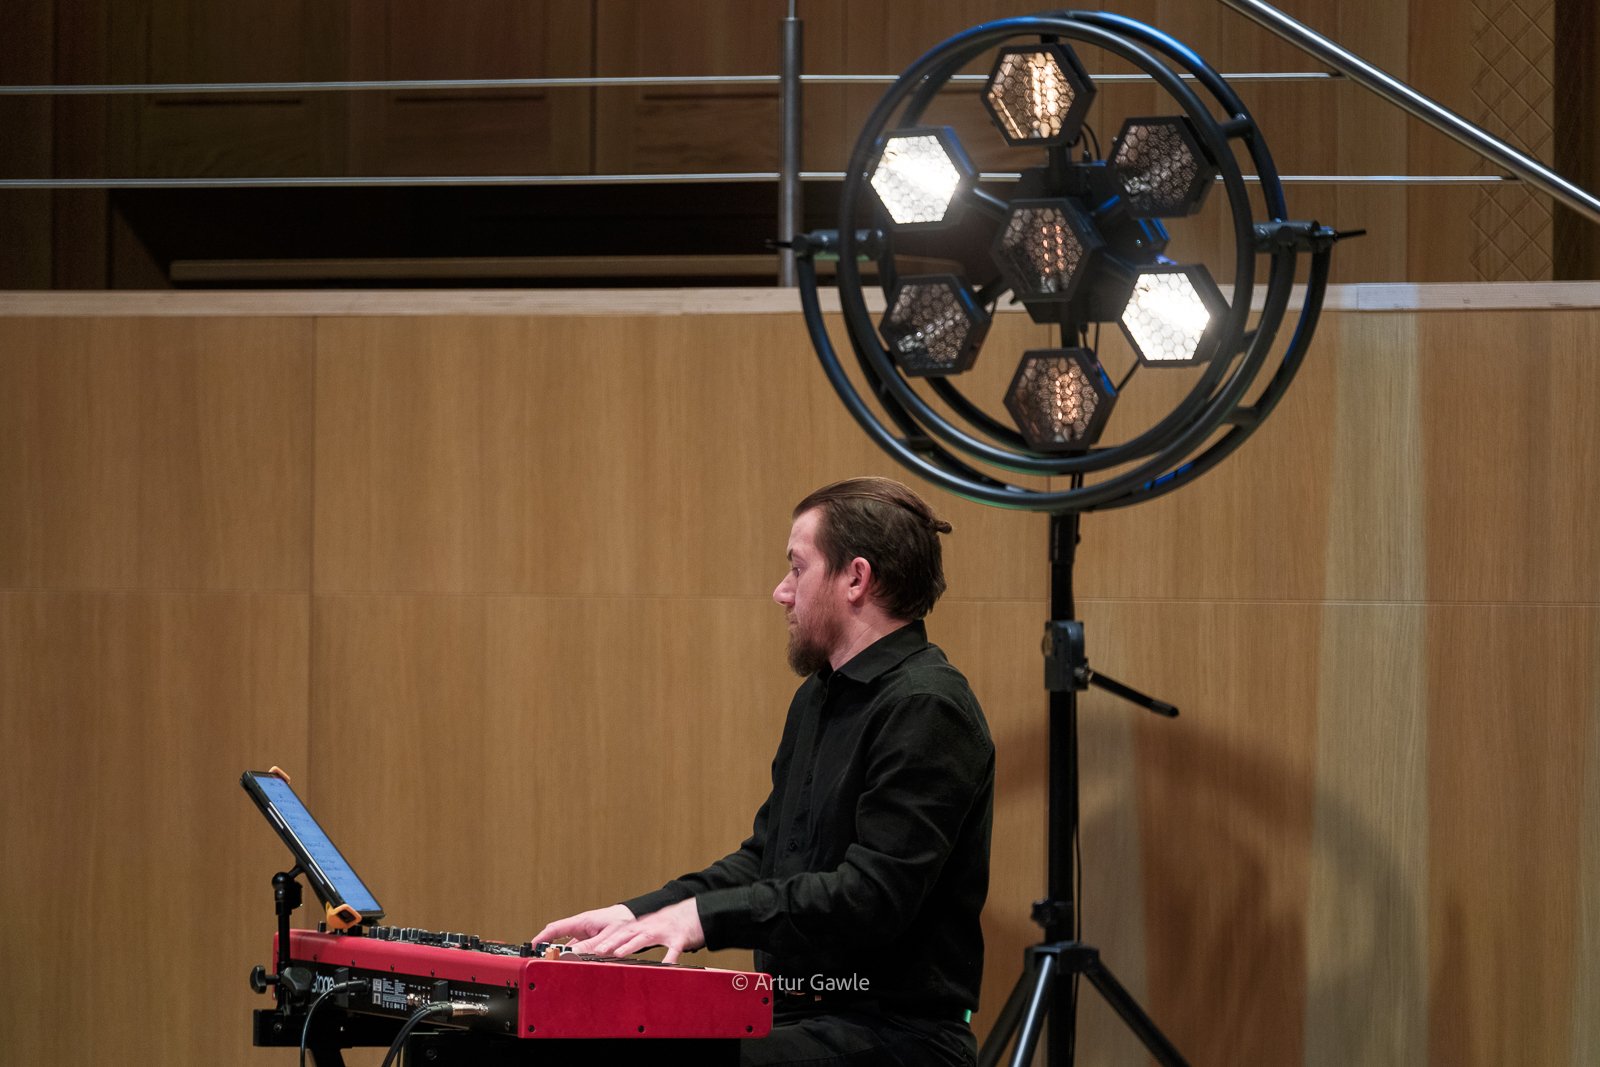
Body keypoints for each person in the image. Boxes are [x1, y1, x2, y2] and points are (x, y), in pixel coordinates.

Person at [534, 477, 994, 1066]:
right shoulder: (818, 698)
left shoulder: (927, 706)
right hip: (797, 1016)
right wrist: (639, 914)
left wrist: (704, 919)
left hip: (896, 1033)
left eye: (797, 568)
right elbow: (768, 859)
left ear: (856, 578)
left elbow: (872, 897)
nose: (782, 592)